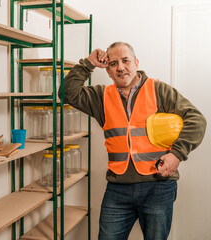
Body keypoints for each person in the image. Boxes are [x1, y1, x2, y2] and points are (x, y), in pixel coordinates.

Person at [59, 42, 206, 240]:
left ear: (136, 63)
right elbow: (67, 93)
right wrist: (88, 64)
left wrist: (177, 154)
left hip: (158, 185)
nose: (120, 67)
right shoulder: (101, 96)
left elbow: (196, 119)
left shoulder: (159, 90)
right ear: (109, 71)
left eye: (126, 60)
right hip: (118, 189)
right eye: (113, 63)